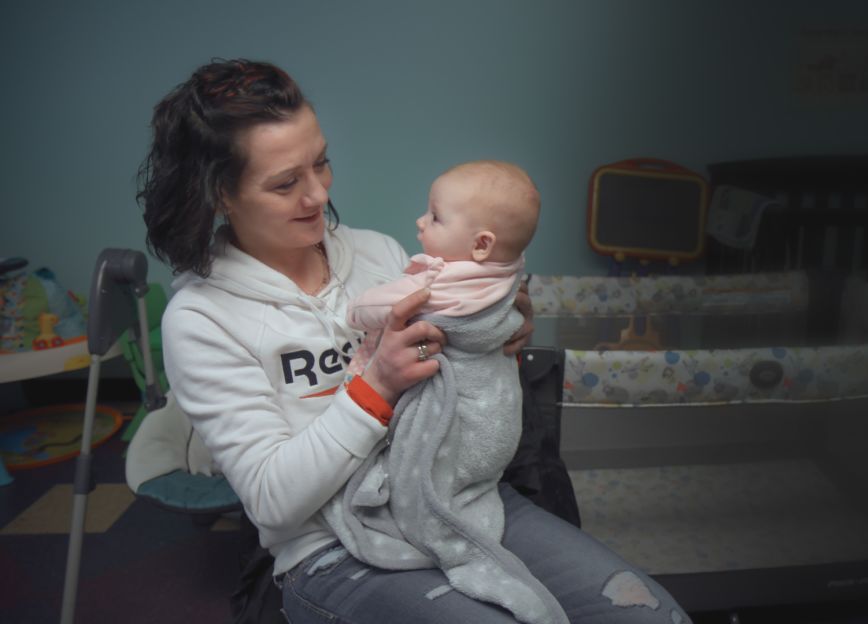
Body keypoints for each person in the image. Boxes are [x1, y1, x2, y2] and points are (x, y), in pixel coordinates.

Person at [139, 58, 691, 624]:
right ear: (220, 196)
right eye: (285, 183)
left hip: (459, 505)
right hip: (330, 548)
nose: (317, 194)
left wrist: (499, 327)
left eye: (321, 163)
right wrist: (374, 387)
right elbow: (274, 506)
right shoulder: (202, 318)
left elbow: (458, 348)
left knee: (650, 615)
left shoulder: (379, 254)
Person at [325, 160, 564, 623]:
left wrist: (355, 311)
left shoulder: (435, 286)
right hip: (494, 423)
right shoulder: (509, 270)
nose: (420, 222)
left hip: (465, 405)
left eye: (434, 217)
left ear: (480, 244)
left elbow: (373, 308)